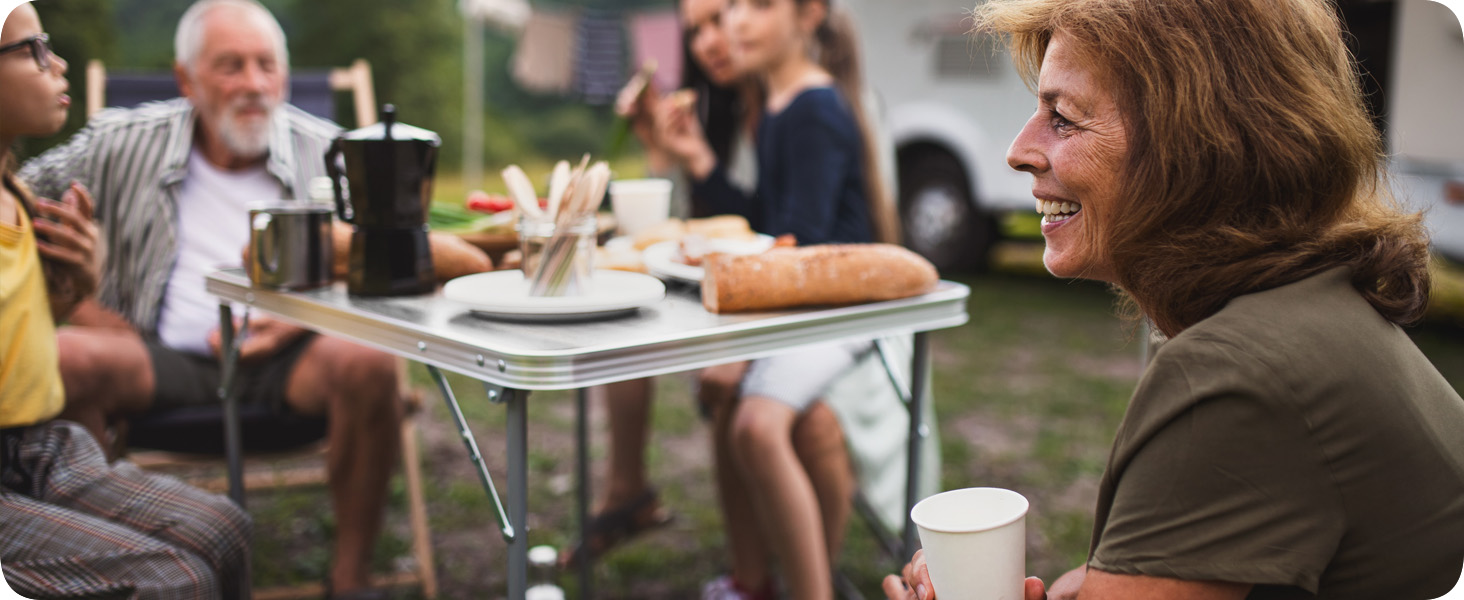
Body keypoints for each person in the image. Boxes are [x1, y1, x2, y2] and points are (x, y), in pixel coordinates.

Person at [884, 0, 1464, 598]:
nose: (1019, 151)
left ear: (1192, 144)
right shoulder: (1305, 304)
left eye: (1063, 118)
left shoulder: (1234, 375)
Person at [19, 1, 403, 597]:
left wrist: (295, 324)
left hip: (287, 357)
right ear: (186, 79)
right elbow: (16, 194)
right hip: (154, 355)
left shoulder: (329, 151)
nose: (253, 84)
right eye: (231, 66)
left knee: (372, 363)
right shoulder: (120, 142)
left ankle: (349, 579)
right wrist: (86, 307)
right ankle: (107, 557)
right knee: (72, 356)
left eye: (266, 65)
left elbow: (379, 264)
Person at [652, 0, 902, 597]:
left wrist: (742, 348)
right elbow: (767, 224)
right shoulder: (779, 106)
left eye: (758, 6)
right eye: (732, 7)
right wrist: (700, 160)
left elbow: (803, 247)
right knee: (740, 415)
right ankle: (756, 581)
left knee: (757, 426)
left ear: (809, 15)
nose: (736, 23)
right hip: (806, 303)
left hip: (839, 307)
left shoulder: (814, 108)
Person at [1, 3, 252, 597]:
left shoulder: (17, 192)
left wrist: (73, 287)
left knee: (226, 529)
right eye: (33, 49)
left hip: (35, 443)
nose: (57, 63)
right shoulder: (124, 145)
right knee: (172, 578)